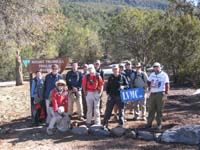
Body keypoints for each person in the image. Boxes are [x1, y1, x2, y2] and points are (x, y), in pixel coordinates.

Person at [144, 62, 169, 130]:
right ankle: (149, 124)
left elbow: (167, 84)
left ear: (160, 67)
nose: (156, 68)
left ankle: (159, 124)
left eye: (157, 66)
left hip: (160, 93)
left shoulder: (164, 75)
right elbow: (148, 81)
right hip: (152, 93)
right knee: (151, 109)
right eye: (154, 66)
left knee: (159, 109)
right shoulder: (152, 74)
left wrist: (166, 94)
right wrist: (149, 86)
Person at [103, 65, 128, 129]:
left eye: (116, 69)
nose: (115, 70)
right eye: (114, 69)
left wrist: (123, 87)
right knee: (108, 110)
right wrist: (108, 94)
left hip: (119, 96)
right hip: (111, 96)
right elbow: (107, 86)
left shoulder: (122, 77)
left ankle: (121, 123)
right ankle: (105, 123)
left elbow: (127, 85)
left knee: (121, 110)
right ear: (112, 70)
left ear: (118, 70)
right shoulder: (110, 77)